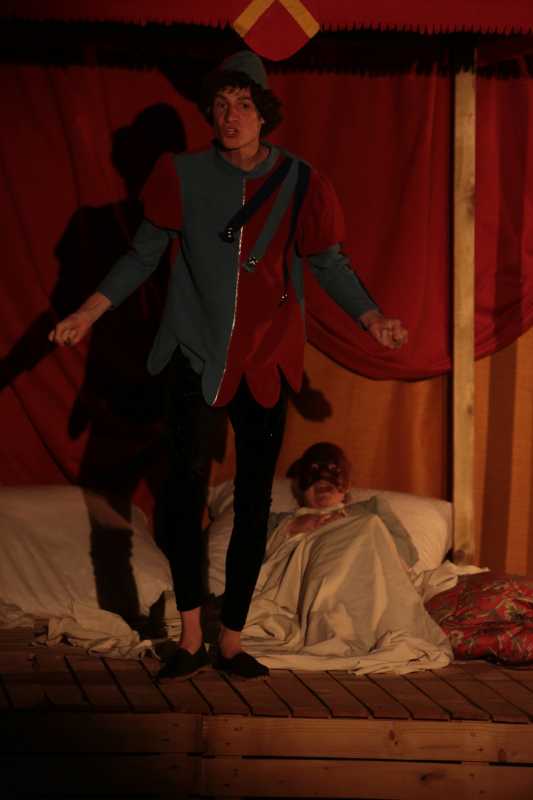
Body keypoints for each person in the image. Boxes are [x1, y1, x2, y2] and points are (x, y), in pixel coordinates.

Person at [49, 49, 408, 680]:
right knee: (181, 494)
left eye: (242, 104)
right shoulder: (180, 174)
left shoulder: (300, 180)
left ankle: (233, 639)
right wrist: (88, 312)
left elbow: (327, 261)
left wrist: (371, 316)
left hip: (266, 360)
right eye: (220, 105)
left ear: (263, 112)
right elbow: (142, 254)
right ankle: (191, 636)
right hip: (192, 353)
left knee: (252, 501)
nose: (230, 115)